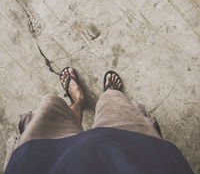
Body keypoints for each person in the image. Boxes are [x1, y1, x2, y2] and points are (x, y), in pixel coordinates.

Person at [4, 67, 193, 174]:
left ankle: (78, 102)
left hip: (42, 164)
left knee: (53, 120)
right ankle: (110, 94)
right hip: (132, 161)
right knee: (117, 111)